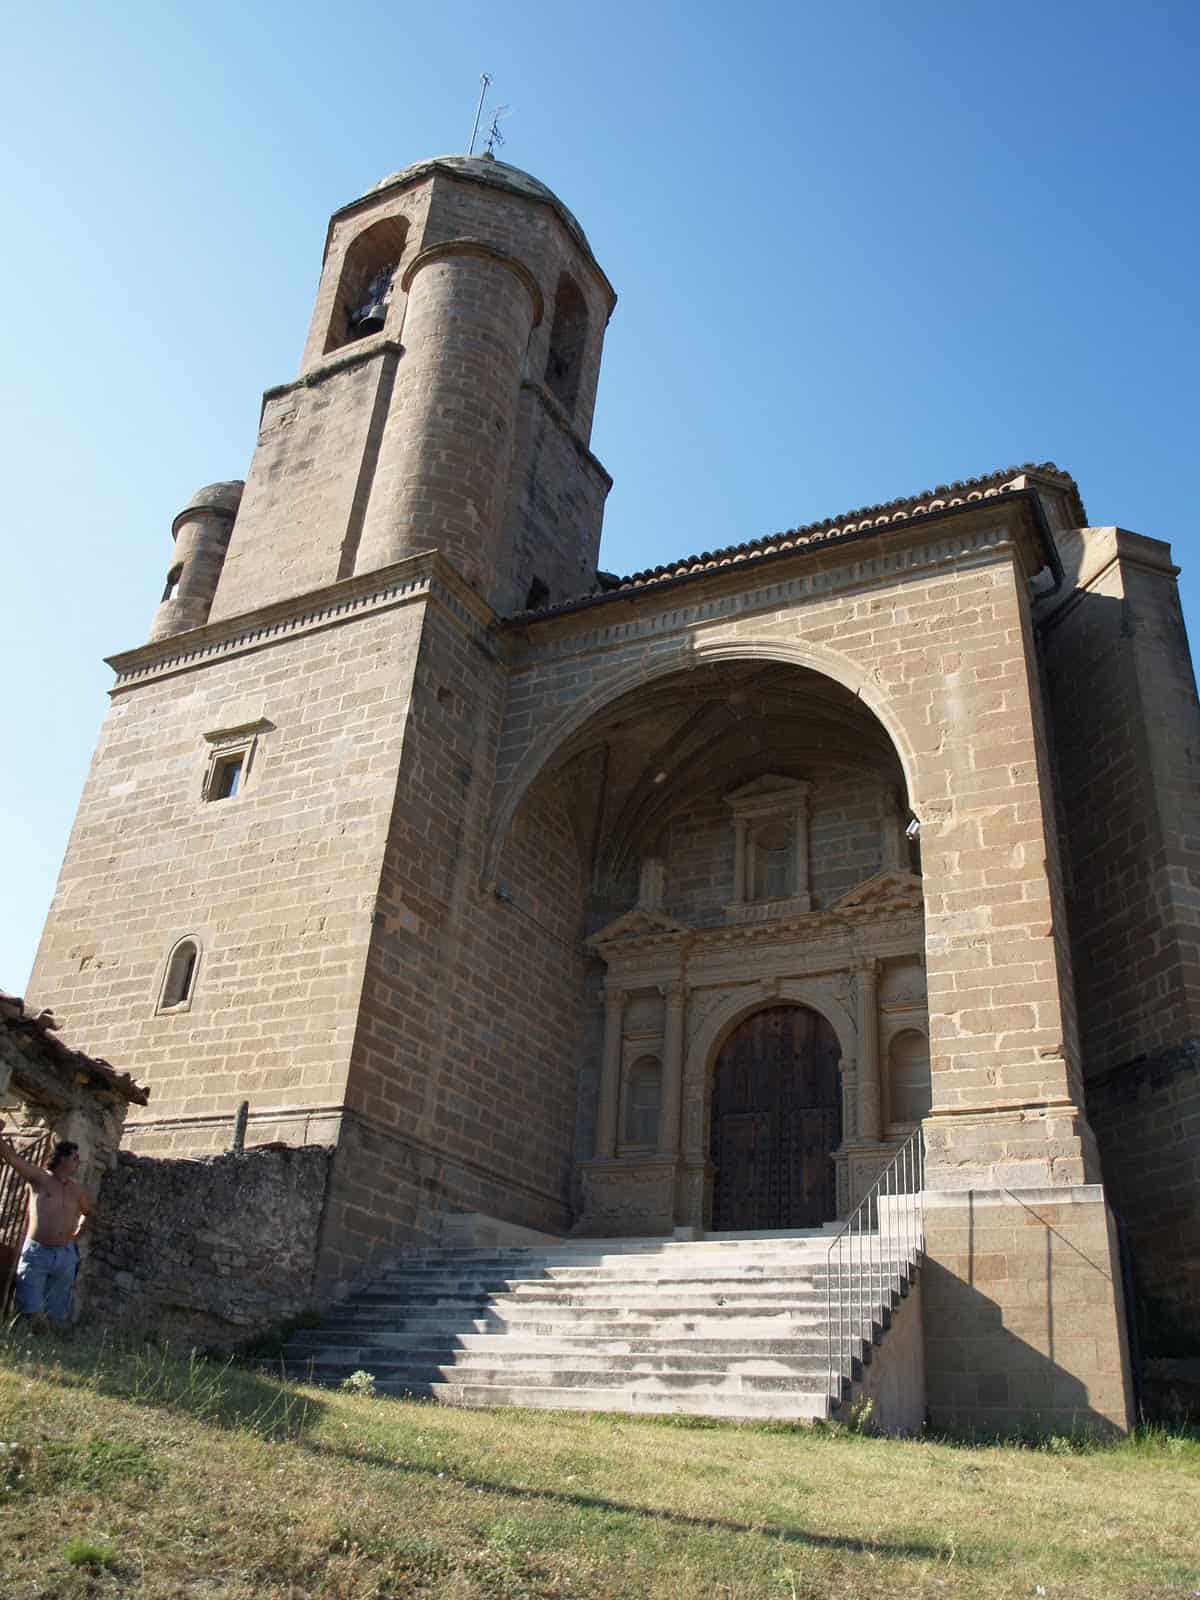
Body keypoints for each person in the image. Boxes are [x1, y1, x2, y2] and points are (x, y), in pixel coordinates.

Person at [0, 1117, 93, 1332]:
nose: (78, 1162)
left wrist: (76, 1235)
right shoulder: (40, 1178)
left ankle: (48, 1343)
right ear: (62, 1159)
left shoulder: (76, 1189)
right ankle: (24, 1341)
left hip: (64, 1255)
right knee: (28, 1307)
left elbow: (88, 1213)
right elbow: (11, 1158)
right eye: (75, 1157)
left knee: (57, 1311)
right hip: (38, 1252)